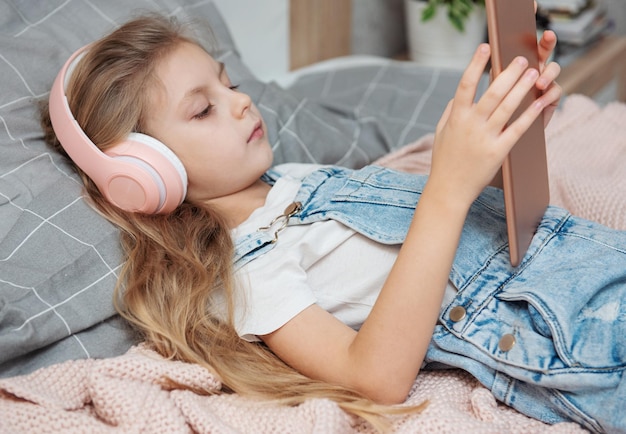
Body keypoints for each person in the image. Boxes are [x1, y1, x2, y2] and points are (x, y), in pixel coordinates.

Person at [40, 9, 625, 434]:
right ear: (145, 171)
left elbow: (460, 238)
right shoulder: (245, 269)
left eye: (230, 83)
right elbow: (374, 377)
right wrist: (444, 187)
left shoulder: (296, 179)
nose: (241, 101)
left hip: (582, 257)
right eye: (203, 107)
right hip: (572, 330)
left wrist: (506, 141)